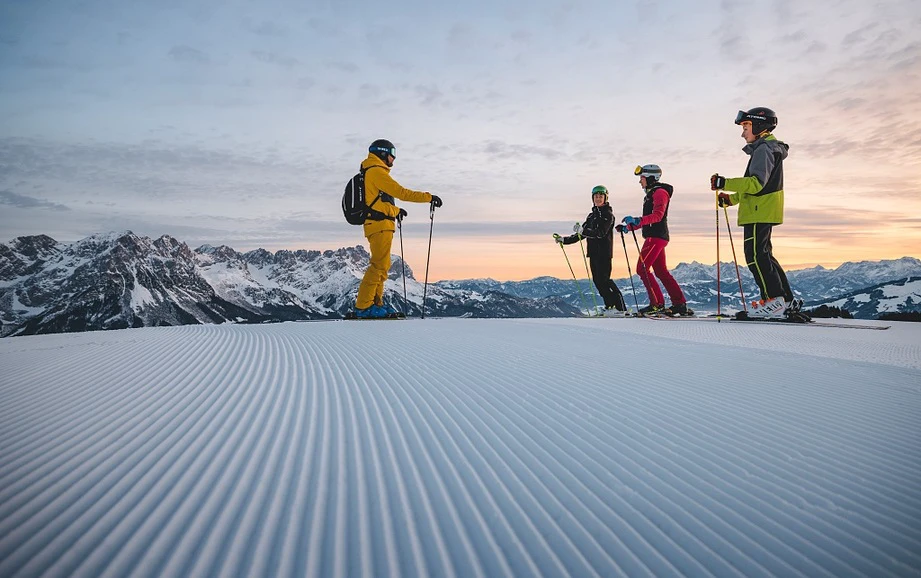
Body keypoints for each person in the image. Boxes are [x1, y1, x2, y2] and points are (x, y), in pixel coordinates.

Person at [710, 107, 806, 320]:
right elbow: (758, 187)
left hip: (758, 211)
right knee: (764, 256)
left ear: (759, 126)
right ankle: (784, 300)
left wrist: (724, 182)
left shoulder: (764, 149)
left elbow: (755, 184)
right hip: (763, 208)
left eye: (746, 126)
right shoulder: (769, 148)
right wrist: (732, 198)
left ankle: (773, 301)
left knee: (755, 258)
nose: (743, 132)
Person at [354, 139, 442, 318]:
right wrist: (429, 197)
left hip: (379, 224)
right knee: (378, 266)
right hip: (378, 225)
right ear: (382, 153)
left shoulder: (371, 171)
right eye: (391, 154)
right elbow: (401, 192)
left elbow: (376, 202)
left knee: (382, 266)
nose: (393, 159)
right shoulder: (376, 171)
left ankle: (374, 303)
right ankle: (364, 307)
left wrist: (395, 211)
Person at [619, 164, 692, 317]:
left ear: (651, 178)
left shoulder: (660, 192)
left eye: (642, 178)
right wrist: (629, 227)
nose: (640, 182)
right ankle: (679, 304)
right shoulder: (652, 193)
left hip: (655, 237)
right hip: (656, 236)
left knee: (642, 268)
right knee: (660, 271)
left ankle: (657, 304)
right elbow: (649, 220)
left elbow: (658, 216)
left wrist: (637, 220)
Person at [554, 185, 626, 315]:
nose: (598, 199)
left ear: (605, 198)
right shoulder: (591, 216)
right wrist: (564, 240)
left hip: (604, 252)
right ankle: (610, 307)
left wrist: (583, 231)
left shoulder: (607, 215)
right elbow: (581, 235)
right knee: (598, 281)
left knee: (605, 280)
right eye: (596, 196)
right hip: (593, 253)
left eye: (600, 196)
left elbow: (600, 233)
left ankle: (620, 308)